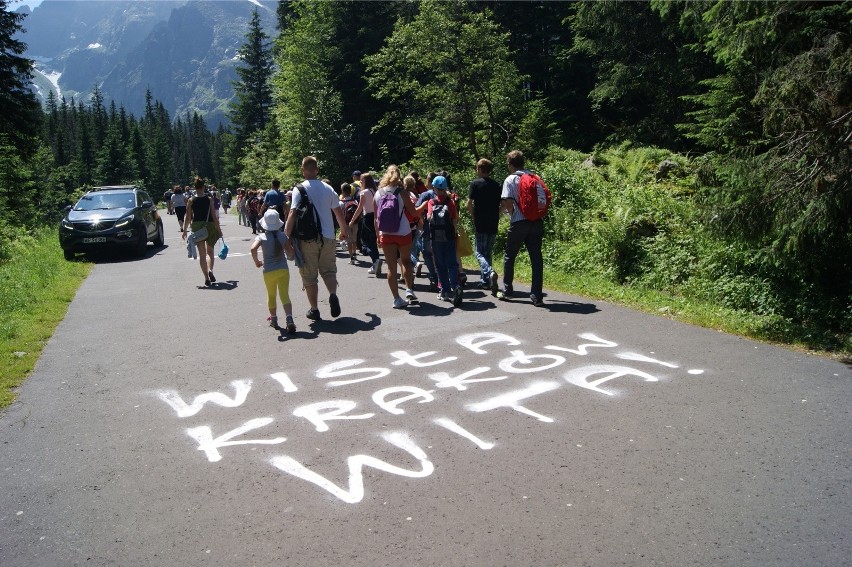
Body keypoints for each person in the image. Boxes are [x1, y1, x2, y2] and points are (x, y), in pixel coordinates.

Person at [284, 156, 348, 321]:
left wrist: (286, 237)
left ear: (303, 171)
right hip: (328, 237)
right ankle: (332, 294)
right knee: (329, 270)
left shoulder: (299, 189)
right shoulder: (328, 188)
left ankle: (314, 309)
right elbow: (338, 212)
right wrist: (343, 230)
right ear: (317, 170)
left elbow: (292, 213)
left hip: (307, 240)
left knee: (309, 276)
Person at [498, 150, 545, 306]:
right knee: (536, 258)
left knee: (509, 256)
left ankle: (507, 290)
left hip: (519, 222)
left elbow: (508, 202)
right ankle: (537, 295)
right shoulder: (535, 177)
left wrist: (513, 215)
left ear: (510, 164)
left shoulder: (510, 179)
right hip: (537, 222)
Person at [375, 166, 419, 309]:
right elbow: (413, 213)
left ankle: (396, 299)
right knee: (406, 262)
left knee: (391, 268)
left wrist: (378, 236)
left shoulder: (378, 193)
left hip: (386, 234)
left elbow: (376, 219)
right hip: (403, 232)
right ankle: (409, 290)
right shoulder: (402, 193)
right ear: (399, 177)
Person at [251, 209, 296, 333]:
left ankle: (274, 319)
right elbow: (291, 252)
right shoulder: (282, 236)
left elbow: (253, 249)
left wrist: (257, 262)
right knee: (284, 295)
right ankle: (289, 318)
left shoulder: (261, 237)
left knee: (271, 295)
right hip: (283, 269)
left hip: (269, 270)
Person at [467, 158, 501, 294]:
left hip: (480, 221)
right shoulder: (497, 185)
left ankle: (489, 271)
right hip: (493, 221)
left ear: (480, 169)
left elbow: (468, 203)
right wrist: (497, 214)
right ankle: (486, 282)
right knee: (487, 252)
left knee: (479, 252)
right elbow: (503, 204)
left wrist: (473, 214)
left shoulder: (475, 184)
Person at [426, 175, 462, 306]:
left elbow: (429, 218)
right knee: (452, 263)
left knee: (440, 265)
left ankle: (445, 291)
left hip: (436, 238)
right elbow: (454, 220)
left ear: (435, 188)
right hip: (449, 237)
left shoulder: (432, 202)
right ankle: (455, 286)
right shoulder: (450, 202)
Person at [182, 177, 223, 287]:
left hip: (197, 227)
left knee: (202, 254)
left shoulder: (191, 200)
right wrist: (218, 229)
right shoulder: (209, 199)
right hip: (209, 225)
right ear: (203, 187)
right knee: (210, 251)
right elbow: (214, 216)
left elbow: (188, 217)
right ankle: (210, 270)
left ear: (194, 188)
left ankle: (206, 278)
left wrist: (185, 230)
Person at [349, 172, 382, 276]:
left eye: (362, 180)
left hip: (367, 217)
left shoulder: (364, 192)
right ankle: (376, 261)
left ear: (365, 181)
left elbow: (360, 208)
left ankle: (375, 260)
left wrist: (352, 220)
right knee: (373, 238)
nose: (360, 181)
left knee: (366, 240)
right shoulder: (375, 191)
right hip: (376, 216)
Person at [340, 182, 359, 264]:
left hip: (346, 223)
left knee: (349, 241)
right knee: (354, 239)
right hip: (355, 222)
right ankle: (355, 253)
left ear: (343, 191)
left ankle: (351, 257)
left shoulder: (341, 202)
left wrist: (341, 228)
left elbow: (340, 215)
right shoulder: (355, 201)